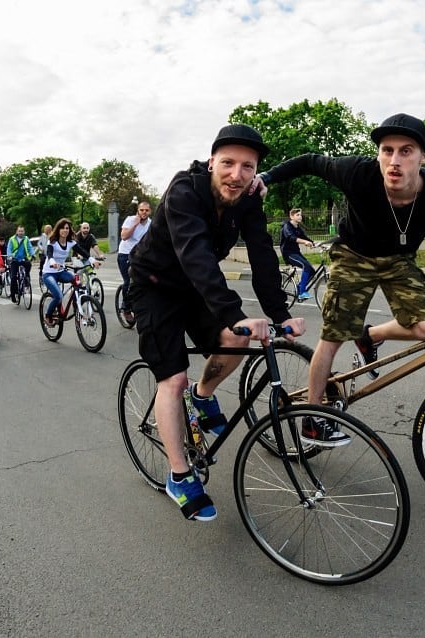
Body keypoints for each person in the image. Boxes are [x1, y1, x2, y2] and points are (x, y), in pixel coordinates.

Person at [252, 113, 425, 436]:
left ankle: (370, 335)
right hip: (353, 255)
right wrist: (267, 177)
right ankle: (312, 418)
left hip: (399, 260)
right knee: (332, 338)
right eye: (387, 150)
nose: (394, 161)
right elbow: (310, 161)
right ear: (378, 154)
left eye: (406, 151)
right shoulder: (357, 172)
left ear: (423, 157)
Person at [129, 123, 305, 522]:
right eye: (228, 163)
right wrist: (235, 314)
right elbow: (196, 256)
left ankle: (203, 394)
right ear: (212, 162)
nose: (236, 174)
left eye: (248, 166)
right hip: (155, 285)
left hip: (195, 288)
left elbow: (262, 257)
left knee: (236, 341)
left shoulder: (248, 200)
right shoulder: (184, 191)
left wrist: (279, 314)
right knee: (172, 379)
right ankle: (178, 475)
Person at [41, 218, 93, 325]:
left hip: (61, 271)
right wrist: (52, 262)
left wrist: (92, 260)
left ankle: (77, 306)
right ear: (58, 230)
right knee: (58, 296)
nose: (65, 230)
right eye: (63, 228)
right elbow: (49, 254)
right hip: (49, 273)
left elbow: (82, 251)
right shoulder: (53, 241)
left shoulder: (71, 242)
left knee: (77, 283)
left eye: (67, 228)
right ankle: (48, 315)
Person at [117, 200, 152, 323]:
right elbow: (124, 236)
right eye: (142, 210)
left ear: (150, 211)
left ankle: (141, 304)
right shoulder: (130, 220)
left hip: (140, 256)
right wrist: (135, 224)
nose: (144, 212)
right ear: (138, 210)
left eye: (146, 210)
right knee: (129, 280)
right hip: (125, 254)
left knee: (145, 280)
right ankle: (126, 309)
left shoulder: (151, 224)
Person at [279, 207, 316, 300]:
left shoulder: (298, 228)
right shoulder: (287, 227)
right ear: (291, 216)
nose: (300, 217)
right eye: (297, 215)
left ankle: (300, 287)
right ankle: (302, 292)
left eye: (301, 215)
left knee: (312, 271)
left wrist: (315, 243)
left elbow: (304, 237)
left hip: (296, 253)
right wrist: (304, 242)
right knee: (306, 266)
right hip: (289, 254)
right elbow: (291, 237)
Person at [6, 225, 35, 297]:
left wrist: (33, 254)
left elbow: (30, 247)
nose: (21, 233)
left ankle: (26, 279)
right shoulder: (12, 239)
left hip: (23, 258)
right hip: (14, 259)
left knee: (28, 264)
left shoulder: (26, 239)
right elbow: (9, 248)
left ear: (24, 232)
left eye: (22, 231)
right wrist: (9, 256)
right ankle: (13, 293)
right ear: (17, 231)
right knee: (13, 277)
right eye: (19, 231)